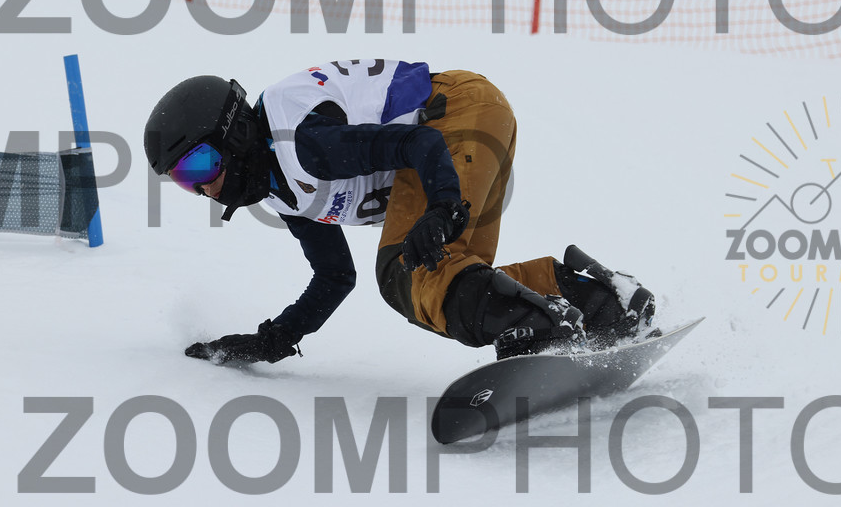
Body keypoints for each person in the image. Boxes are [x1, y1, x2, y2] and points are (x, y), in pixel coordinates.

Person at [144, 60, 654, 366]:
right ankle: (600, 304)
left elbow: (418, 142)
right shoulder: (280, 188)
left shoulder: (301, 142)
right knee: (445, 279)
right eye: (184, 180)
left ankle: (542, 327)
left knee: (404, 274)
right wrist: (272, 341)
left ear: (233, 133)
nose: (202, 187)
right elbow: (334, 277)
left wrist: (443, 207)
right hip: (460, 137)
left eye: (199, 163)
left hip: (456, 118)